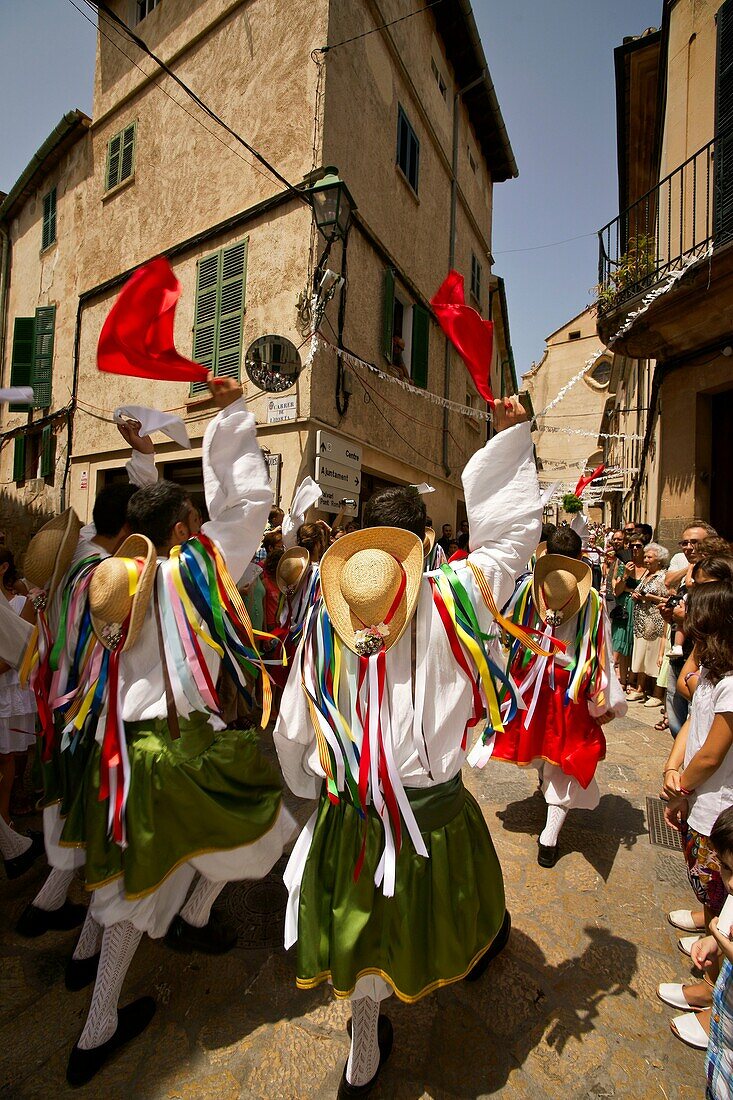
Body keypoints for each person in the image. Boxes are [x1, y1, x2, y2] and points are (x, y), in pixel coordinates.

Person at [274, 396, 540, 1095]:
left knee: (361, 938)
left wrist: (309, 787)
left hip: (350, 812)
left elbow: (293, 725)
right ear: (423, 542)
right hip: (432, 810)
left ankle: (361, 1061)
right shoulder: (461, 592)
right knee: (457, 906)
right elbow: (511, 542)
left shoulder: (330, 619)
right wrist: (512, 438)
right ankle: (462, 961)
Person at [57, 377, 296, 1086]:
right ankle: (98, 1026)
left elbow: (146, 521)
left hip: (114, 747)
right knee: (251, 822)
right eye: (192, 519)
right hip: (168, 750)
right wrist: (231, 416)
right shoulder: (194, 575)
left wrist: (142, 464)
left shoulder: (109, 576)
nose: (200, 526)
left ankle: (86, 960)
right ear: (186, 534)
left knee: (121, 867)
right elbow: (248, 503)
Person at [15, 423, 158, 943]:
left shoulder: (72, 558)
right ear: (125, 532)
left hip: (62, 706)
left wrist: (138, 457)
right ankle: (79, 940)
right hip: (89, 711)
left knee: (81, 814)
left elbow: (120, 516)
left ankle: (45, 908)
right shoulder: (108, 577)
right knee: (96, 823)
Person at [492, 533, 626, 868]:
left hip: (533, 686)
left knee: (545, 748)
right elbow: (602, 652)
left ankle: (549, 834)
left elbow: (509, 632)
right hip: (570, 688)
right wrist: (604, 698)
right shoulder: (592, 600)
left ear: (548, 555)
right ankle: (549, 832)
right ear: (579, 558)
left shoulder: (528, 589)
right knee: (563, 754)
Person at [660, 582, 733, 1048]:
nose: (683, 613)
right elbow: (691, 727)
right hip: (696, 802)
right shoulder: (709, 671)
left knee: (722, 905)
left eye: (694, 611)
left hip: (716, 807)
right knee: (709, 892)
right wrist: (671, 766)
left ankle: (714, 1003)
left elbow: (712, 753)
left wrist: (681, 789)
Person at [0, 549, 36, 826]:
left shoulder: (17, 602)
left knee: (8, 754)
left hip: (9, 685)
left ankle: (6, 816)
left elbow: (20, 648)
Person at [628, 543, 670, 706]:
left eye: (649, 557)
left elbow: (668, 599)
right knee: (641, 654)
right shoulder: (646, 574)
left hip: (655, 620)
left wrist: (651, 598)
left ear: (659, 560)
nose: (645, 559)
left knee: (653, 656)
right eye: (645, 556)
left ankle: (657, 694)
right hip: (641, 621)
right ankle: (640, 689)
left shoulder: (663, 576)